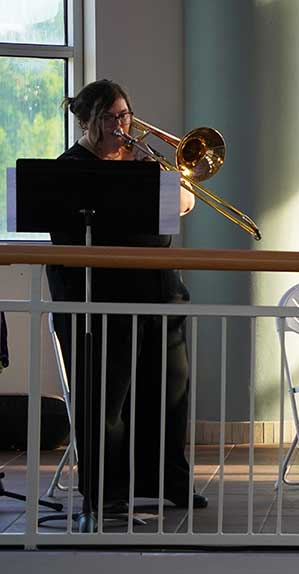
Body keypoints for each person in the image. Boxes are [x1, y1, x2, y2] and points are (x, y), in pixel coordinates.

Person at [48, 79, 204, 518]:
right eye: (111, 118)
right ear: (87, 121)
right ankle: (107, 490)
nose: (122, 126)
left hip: (158, 293)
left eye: (125, 115)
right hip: (98, 298)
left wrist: (160, 171)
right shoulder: (70, 168)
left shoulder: (144, 162)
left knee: (169, 391)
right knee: (107, 400)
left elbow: (187, 203)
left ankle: (168, 481)